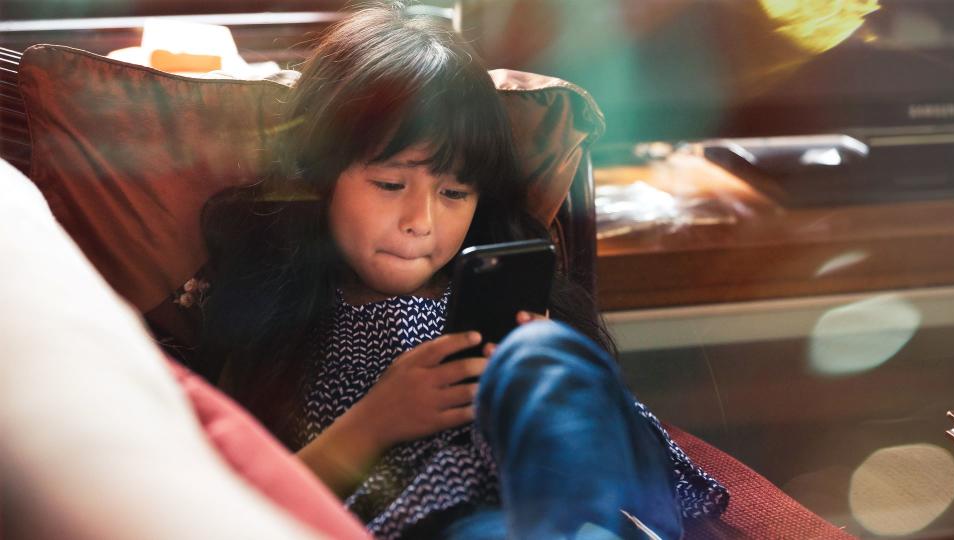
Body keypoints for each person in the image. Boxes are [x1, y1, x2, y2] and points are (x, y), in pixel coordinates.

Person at [199, 3, 727, 539]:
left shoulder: (491, 292)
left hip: (571, 503)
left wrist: (545, 380)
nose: (420, 222)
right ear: (319, 173)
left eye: (454, 192)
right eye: (389, 184)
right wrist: (377, 420)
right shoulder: (280, 321)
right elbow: (234, 506)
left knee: (546, 358)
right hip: (424, 522)